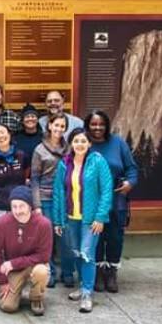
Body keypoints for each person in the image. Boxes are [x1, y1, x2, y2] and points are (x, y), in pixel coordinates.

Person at [53, 128, 113, 313]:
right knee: (76, 253)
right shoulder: (64, 164)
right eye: (76, 141)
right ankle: (82, 286)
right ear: (71, 144)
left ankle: (87, 292)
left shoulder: (97, 162)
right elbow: (58, 193)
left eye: (83, 141)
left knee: (87, 254)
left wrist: (100, 217)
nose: (79, 144)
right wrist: (58, 220)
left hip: (90, 220)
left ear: (89, 144)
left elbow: (107, 190)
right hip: (71, 218)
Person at [85, 110, 138, 293]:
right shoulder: (85, 143)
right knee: (96, 237)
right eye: (93, 124)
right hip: (93, 200)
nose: (97, 127)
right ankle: (98, 271)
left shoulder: (118, 143)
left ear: (107, 125)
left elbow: (132, 169)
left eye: (101, 124)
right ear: (88, 125)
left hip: (117, 199)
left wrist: (129, 183)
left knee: (115, 237)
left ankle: (112, 271)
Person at [0, 186, 52, 316]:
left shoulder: (43, 224)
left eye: (22, 206)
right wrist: (2, 281)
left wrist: (14, 263)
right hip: (14, 271)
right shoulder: (2, 223)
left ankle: (36, 298)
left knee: (42, 271)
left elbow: (44, 256)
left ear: (30, 206)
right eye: (14, 206)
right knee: (8, 306)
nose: (18, 211)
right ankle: (16, 293)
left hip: (35, 265)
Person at [30, 113, 74, 288]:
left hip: (65, 198)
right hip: (45, 197)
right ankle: (50, 272)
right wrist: (37, 205)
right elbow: (34, 179)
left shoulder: (69, 149)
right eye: (56, 125)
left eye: (62, 126)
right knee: (47, 238)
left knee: (66, 237)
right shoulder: (39, 149)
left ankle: (68, 272)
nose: (59, 129)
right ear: (49, 126)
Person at [0, 123, 29, 239]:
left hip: (19, 207)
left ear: (9, 134)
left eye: (3, 132)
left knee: (19, 242)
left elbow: (26, 179)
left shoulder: (22, 155)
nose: (0, 136)